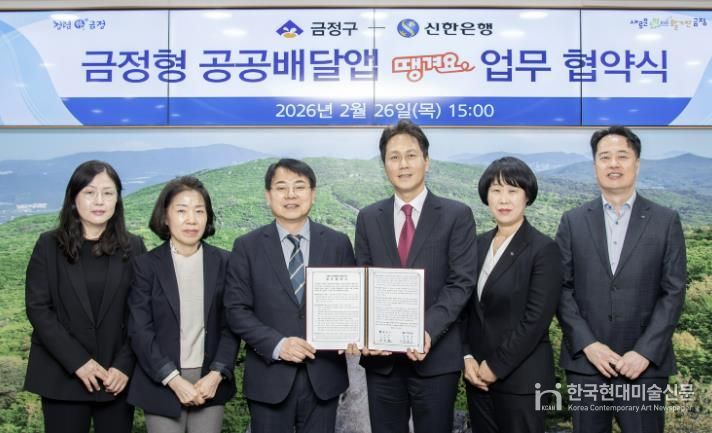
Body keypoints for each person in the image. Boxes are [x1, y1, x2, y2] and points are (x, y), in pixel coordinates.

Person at [557, 126, 686, 433]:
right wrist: (589, 345)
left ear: (636, 163)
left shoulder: (665, 220)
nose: (613, 164)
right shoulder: (573, 221)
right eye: (605, 157)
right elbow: (561, 289)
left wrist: (645, 351)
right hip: (588, 365)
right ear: (595, 165)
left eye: (622, 156)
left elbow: (673, 291)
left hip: (643, 367)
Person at [354, 120, 477, 433]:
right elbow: (362, 282)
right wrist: (366, 332)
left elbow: (461, 282)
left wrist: (425, 330)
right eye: (394, 157)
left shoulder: (456, 215)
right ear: (384, 165)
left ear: (426, 161)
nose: (403, 164)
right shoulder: (368, 217)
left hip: (435, 357)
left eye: (411, 155)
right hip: (382, 361)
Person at [224, 158, 356, 433]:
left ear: (313, 193)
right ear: (268, 196)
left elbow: (352, 303)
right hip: (269, 378)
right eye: (281, 187)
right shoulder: (247, 246)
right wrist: (278, 344)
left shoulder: (338, 243)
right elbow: (236, 310)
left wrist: (356, 333)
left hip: (324, 377)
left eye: (299, 186)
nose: (291, 195)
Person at [24, 160, 146, 433]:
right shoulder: (48, 244)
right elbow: (38, 309)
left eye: (108, 192)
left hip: (115, 379)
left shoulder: (134, 246)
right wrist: (78, 362)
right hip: (62, 376)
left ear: (117, 199)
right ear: (73, 198)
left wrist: (124, 365)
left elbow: (141, 312)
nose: (99, 201)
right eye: (90, 192)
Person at [127, 176, 239, 433]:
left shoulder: (225, 262)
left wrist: (216, 374)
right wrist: (173, 379)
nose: (191, 219)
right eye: (181, 211)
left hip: (209, 380)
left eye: (199, 211)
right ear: (165, 217)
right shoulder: (145, 266)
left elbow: (232, 325)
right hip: (161, 379)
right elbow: (140, 330)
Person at [463, 157, 562, 433]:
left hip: (522, 382)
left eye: (512, 190)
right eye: (496, 190)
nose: (503, 199)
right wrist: (467, 357)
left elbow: (536, 320)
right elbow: (466, 310)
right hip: (477, 378)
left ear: (527, 196)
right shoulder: (477, 244)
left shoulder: (543, 249)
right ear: (486, 196)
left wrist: (495, 366)